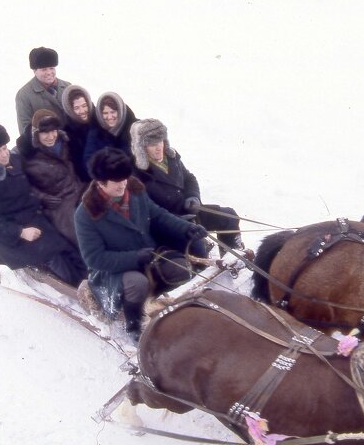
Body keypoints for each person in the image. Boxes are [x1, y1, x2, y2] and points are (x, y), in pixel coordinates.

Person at [74, 147, 208, 339]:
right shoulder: (86, 214)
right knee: (138, 284)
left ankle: (176, 312)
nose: (123, 185)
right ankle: (135, 327)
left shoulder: (135, 190)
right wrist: (134, 258)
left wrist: (186, 228)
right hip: (115, 271)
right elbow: (94, 259)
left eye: (124, 178)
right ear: (101, 183)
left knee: (180, 268)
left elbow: (158, 215)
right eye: (116, 181)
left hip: (149, 256)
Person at [0, 123, 87, 287]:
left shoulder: (13, 159)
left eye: (4, 148)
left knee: (68, 246)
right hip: (12, 233)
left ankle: (92, 280)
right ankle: (78, 288)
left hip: (34, 217)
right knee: (52, 254)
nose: (4, 154)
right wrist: (20, 232)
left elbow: (28, 152)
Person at [131, 118, 245, 255]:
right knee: (198, 242)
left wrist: (193, 197)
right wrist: (179, 222)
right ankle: (206, 264)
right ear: (142, 148)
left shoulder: (171, 157)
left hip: (188, 212)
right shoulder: (138, 173)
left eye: (160, 141)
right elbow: (147, 212)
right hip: (169, 225)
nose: (158, 147)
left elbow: (189, 178)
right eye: (152, 144)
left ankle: (233, 257)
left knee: (229, 216)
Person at [22, 109, 85, 247]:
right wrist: (41, 197)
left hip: (78, 189)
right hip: (58, 202)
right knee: (77, 231)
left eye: (53, 131)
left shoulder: (66, 142)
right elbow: (22, 185)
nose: (51, 137)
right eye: (45, 132)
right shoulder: (27, 155)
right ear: (36, 133)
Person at [15, 46, 71, 136]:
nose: (49, 72)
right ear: (34, 71)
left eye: (51, 68)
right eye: (44, 69)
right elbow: (25, 130)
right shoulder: (24, 95)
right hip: (47, 143)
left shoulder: (67, 87)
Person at [81, 92, 137, 176]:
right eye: (105, 113)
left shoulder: (133, 128)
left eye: (113, 112)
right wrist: (106, 170)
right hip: (106, 178)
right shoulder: (95, 131)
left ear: (120, 111)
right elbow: (88, 161)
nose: (110, 117)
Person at [59, 84, 99, 182]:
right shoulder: (67, 132)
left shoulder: (100, 119)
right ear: (70, 109)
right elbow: (76, 165)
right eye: (76, 108)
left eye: (84, 106)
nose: (82, 111)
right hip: (88, 180)